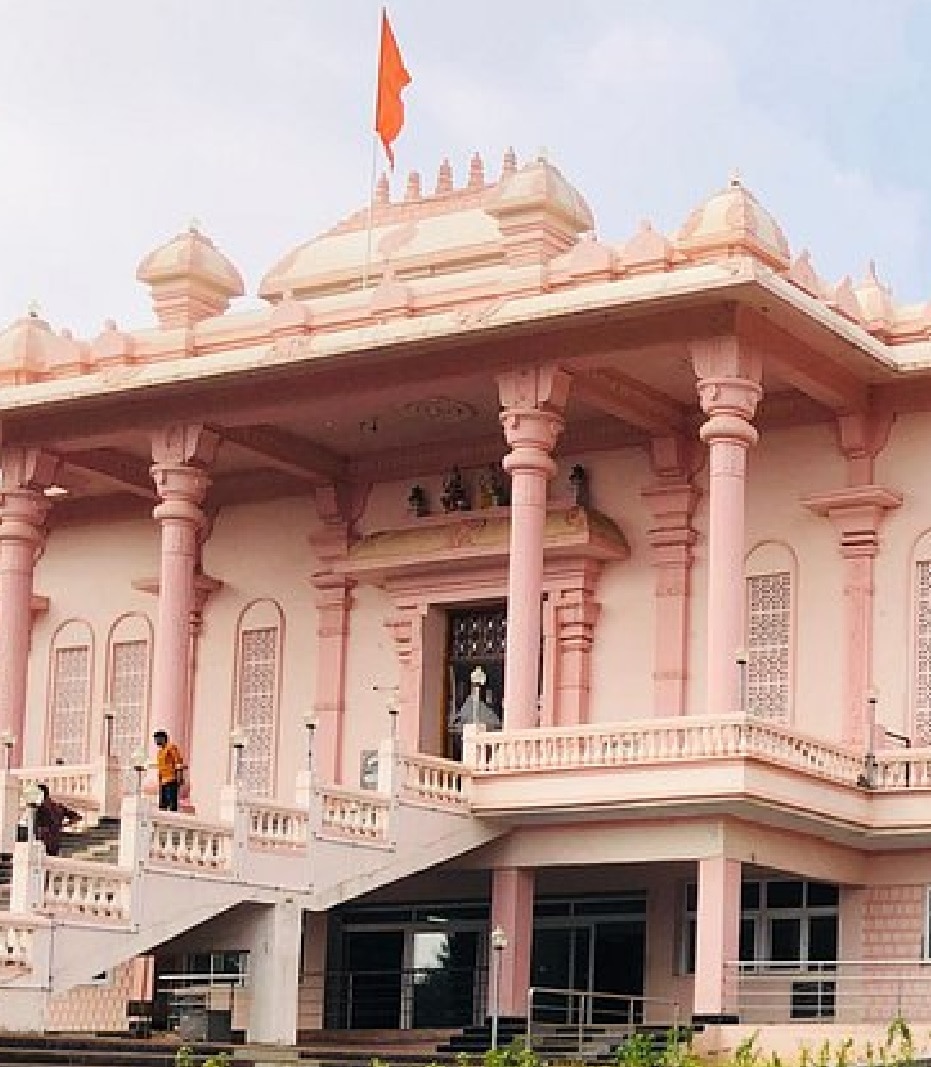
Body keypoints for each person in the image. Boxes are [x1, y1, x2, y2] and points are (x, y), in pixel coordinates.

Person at [34, 783, 81, 857]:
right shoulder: (58, 806)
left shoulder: (39, 808)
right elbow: (77, 817)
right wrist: (63, 825)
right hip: (55, 839)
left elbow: (35, 824)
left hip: (42, 840)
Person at [153, 729, 185, 812]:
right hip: (163, 781)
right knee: (162, 803)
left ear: (163, 738)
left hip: (171, 779)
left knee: (172, 803)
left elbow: (178, 762)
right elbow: (160, 766)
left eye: (157, 739)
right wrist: (159, 779)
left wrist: (180, 776)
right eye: (155, 740)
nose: (156, 742)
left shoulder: (171, 747)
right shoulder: (160, 752)